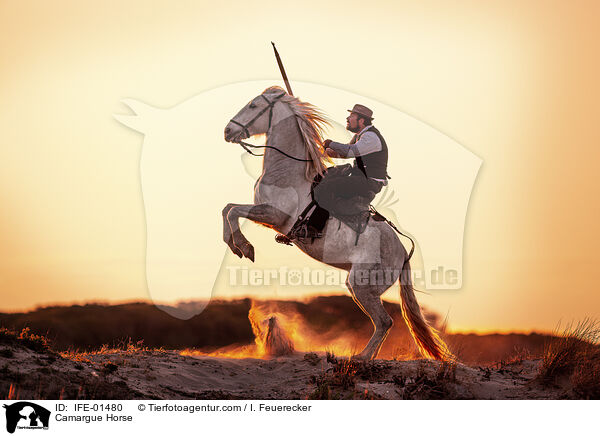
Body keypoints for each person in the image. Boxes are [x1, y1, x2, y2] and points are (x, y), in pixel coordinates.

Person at [291, 104, 389, 240]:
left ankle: (315, 228)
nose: (348, 118)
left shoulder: (371, 137)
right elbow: (341, 154)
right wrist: (317, 150)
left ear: (361, 121)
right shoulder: (360, 136)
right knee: (321, 181)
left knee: (325, 188)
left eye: (352, 116)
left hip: (368, 183)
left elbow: (350, 151)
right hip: (361, 180)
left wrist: (330, 143)